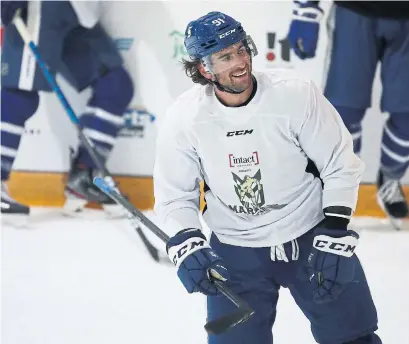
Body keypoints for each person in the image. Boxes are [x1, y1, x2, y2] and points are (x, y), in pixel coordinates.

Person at [153, 11, 381, 344]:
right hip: (235, 253)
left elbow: (339, 163)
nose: (240, 61)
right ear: (204, 68)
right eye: (226, 56)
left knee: (354, 339)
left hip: (309, 237)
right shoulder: (184, 118)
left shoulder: (294, 94)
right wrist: (187, 242)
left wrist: (334, 230)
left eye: (241, 49)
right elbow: (175, 195)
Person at [1, 1, 134, 216]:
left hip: (79, 10)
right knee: (19, 95)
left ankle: (84, 177)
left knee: (115, 85)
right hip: (40, 6)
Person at [287, 0, 409, 223]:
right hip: (355, 11)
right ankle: (341, 188)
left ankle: (390, 177)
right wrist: (306, 10)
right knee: (344, 113)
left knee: (406, 117)